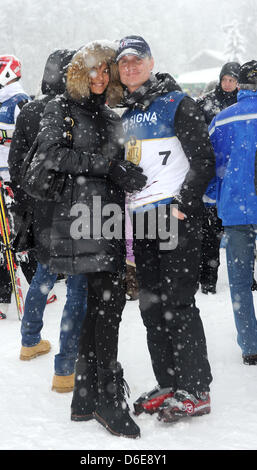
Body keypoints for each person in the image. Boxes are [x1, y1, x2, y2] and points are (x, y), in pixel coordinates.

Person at [22, 41, 146, 438]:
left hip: (108, 223)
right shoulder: (61, 108)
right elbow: (53, 155)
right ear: (78, 73)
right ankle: (108, 399)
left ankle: (84, 397)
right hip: (79, 226)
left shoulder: (109, 114)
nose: (100, 77)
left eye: (105, 70)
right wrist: (108, 166)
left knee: (99, 312)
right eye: (92, 70)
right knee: (106, 314)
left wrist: (123, 169)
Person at [116, 35, 214, 423]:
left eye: (136, 60)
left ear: (150, 61)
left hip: (174, 217)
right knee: (151, 306)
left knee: (178, 302)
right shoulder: (124, 115)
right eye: (123, 62)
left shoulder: (176, 103)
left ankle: (196, 388)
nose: (130, 67)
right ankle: (170, 383)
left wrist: (184, 205)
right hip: (141, 220)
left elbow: (203, 159)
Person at [8, 49, 88, 393]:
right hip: (74, 205)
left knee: (43, 271)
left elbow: (16, 162)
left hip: (40, 206)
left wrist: (27, 204)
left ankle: (29, 340)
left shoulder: (29, 110)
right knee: (76, 281)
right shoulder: (73, 110)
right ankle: (65, 368)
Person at [209, 60, 257, 366]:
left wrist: (214, 198)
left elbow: (211, 165)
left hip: (237, 207)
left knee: (239, 281)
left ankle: (250, 344)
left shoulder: (222, 120)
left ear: (238, 85)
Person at [0, 55, 38, 319]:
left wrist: (1, 136)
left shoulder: (20, 102)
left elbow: (31, 137)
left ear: (7, 73)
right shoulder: (0, 103)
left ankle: (37, 287)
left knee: (19, 236)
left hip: (16, 180)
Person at [197, 62, 240, 294]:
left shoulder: (242, 105)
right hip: (212, 176)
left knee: (237, 232)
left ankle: (243, 277)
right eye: (225, 79)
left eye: (232, 80)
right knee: (209, 233)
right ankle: (208, 278)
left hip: (235, 177)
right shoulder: (206, 103)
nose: (227, 84)